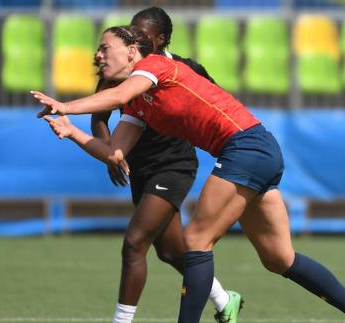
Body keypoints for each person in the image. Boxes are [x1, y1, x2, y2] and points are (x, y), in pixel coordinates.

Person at [32, 25, 345, 323]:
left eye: (104, 47)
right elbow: (115, 151)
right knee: (279, 258)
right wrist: (71, 130)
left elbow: (120, 93)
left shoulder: (155, 66)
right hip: (258, 152)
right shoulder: (137, 102)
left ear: (131, 52)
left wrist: (66, 104)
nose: (97, 55)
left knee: (197, 240)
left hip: (246, 148)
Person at [91, 7, 243, 323]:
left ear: (160, 39)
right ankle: (225, 300)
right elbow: (99, 118)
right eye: (130, 32)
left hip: (174, 166)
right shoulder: (120, 71)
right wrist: (111, 152)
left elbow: (217, 105)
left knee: (134, 243)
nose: (133, 39)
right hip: (139, 168)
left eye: (142, 34)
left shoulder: (186, 69)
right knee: (171, 251)